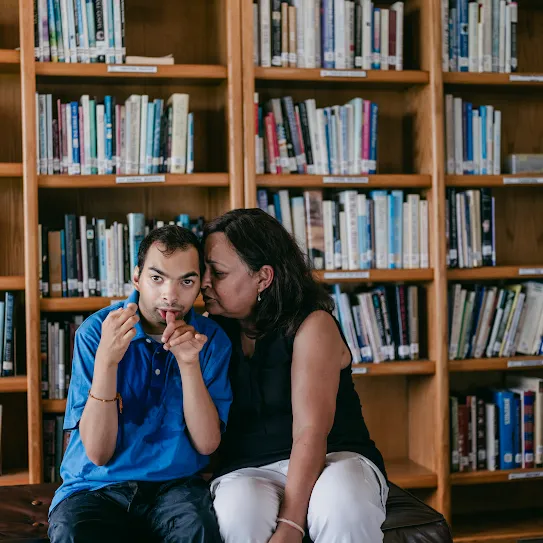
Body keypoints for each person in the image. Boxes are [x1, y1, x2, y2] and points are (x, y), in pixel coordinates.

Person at [201, 208, 388, 543]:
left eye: (219, 274)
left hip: (333, 457)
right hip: (247, 467)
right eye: (204, 271)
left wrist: (291, 524)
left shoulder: (312, 324)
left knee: (342, 504)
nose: (205, 283)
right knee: (236, 512)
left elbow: (310, 431)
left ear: (263, 277)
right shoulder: (210, 330)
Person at [48, 225, 232, 543]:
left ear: (200, 284)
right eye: (156, 278)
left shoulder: (211, 339)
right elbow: (98, 453)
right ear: (137, 278)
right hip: (95, 486)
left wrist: (189, 365)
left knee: (197, 529)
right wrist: (107, 362)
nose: (170, 296)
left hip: (175, 485)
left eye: (185, 281)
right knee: (74, 533)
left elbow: (207, 444)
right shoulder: (96, 332)